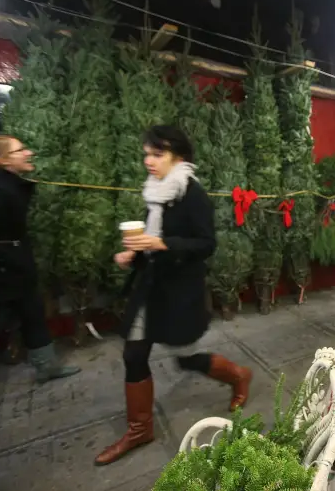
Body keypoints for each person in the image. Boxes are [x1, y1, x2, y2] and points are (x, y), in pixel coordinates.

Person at [95, 125, 253, 466]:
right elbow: (151, 237)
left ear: (177, 156)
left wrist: (163, 244)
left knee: (186, 358)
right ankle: (140, 430)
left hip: (180, 291)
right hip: (150, 286)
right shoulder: (155, 191)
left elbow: (206, 244)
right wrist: (132, 254)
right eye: (146, 154)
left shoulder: (191, 193)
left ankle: (238, 375)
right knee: (134, 355)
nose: (148, 161)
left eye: (157, 154)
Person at [0, 135, 80, 381]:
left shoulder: (3, 182)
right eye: (20, 150)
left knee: (33, 314)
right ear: (2, 160)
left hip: (13, 268)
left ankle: (47, 367)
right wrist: (8, 260)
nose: (28, 153)